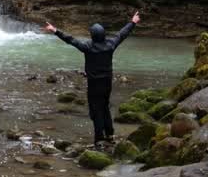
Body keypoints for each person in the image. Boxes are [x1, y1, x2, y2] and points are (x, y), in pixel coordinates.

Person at [44, 12, 142, 146]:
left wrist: (55, 30)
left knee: (96, 111)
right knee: (105, 107)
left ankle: (99, 139)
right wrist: (133, 22)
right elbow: (122, 34)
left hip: (94, 84)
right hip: (107, 82)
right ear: (103, 35)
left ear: (92, 36)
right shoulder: (111, 44)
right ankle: (110, 134)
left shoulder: (87, 47)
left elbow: (71, 40)